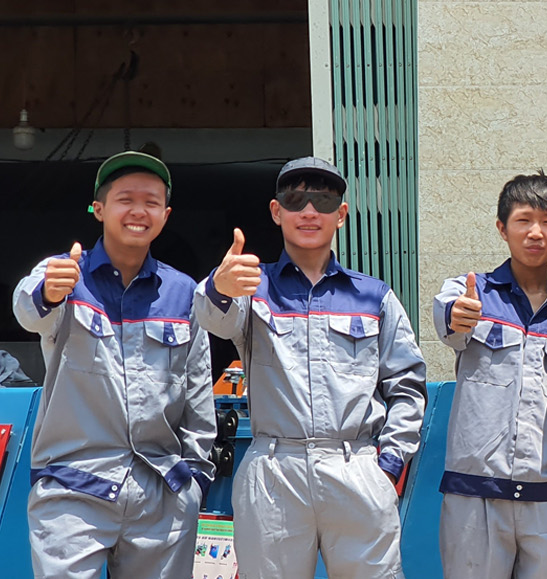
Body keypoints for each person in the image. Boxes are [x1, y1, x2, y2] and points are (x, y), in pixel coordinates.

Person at [193, 156, 427, 578]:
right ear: (276, 211)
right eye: (295, 199)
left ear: (341, 214)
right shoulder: (252, 287)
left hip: (356, 466)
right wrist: (219, 287)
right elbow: (214, 319)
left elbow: (407, 384)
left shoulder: (374, 296)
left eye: (323, 200)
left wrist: (389, 463)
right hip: (274, 469)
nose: (309, 211)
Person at [13, 151, 215, 578]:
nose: (139, 211)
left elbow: (198, 393)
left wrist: (194, 480)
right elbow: (28, 310)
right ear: (99, 209)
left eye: (151, 202)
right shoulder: (65, 275)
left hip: (161, 495)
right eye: (125, 199)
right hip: (73, 489)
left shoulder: (183, 294)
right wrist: (49, 291)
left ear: (165, 215)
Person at [432, 173, 547, 578]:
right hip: (475, 497)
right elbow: (448, 320)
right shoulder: (470, 293)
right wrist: (459, 315)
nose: (535, 232)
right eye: (523, 220)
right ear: (502, 228)